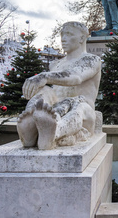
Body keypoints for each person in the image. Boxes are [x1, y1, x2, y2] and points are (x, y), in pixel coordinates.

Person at [17, 21, 101, 150]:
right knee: (44, 91)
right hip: (55, 111)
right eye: (62, 35)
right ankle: (31, 127)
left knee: (80, 107)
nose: (63, 39)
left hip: (83, 114)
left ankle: (54, 132)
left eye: (69, 34)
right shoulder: (55, 65)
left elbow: (76, 77)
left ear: (82, 38)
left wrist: (44, 76)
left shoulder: (91, 60)